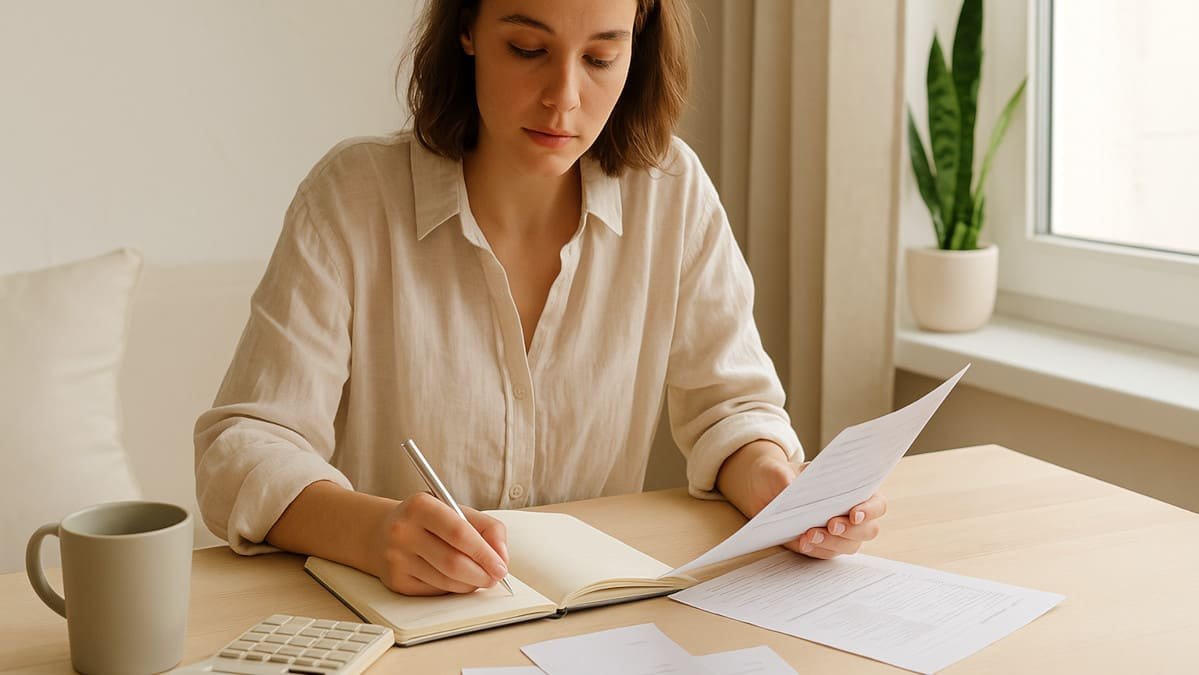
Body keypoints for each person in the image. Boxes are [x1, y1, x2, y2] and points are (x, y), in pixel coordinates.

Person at [194, 0, 886, 597]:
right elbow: (244, 447)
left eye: (600, 58)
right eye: (527, 49)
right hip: (395, 628)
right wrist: (374, 532)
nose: (563, 98)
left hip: (589, 626)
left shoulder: (671, 193)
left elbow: (730, 407)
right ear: (467, 27)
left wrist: (777, 484)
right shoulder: (352, 199)